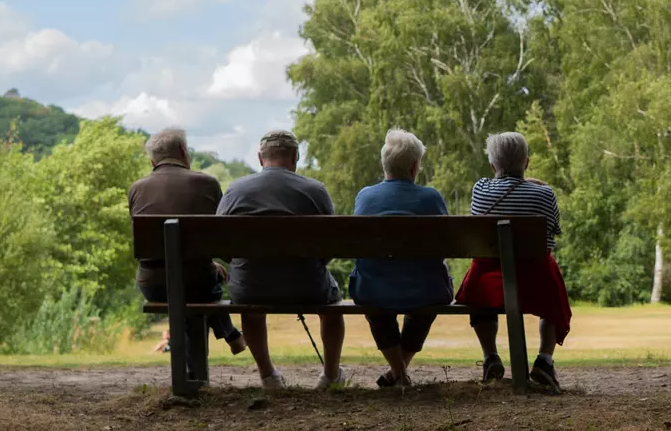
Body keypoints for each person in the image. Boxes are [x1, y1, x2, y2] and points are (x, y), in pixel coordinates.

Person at [216, 129, 347, 391]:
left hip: (251, 286)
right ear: (295, 156)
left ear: (260, 157)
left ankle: (269, 377)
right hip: (308, 286)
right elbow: (329, 246)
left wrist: (241, 266)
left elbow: (220, 243)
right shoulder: (315, 191)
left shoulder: (235, 190)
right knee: (332, 304)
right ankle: (331, 376)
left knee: (249, 305)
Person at [454, 132, 572, 394]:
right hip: (535, 280)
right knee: (552, 282)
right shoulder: (545, 194)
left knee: (478, 283)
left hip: (488, 282)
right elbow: (553, 231)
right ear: (527, 163)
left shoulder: (480, 189)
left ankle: (490, 357)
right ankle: (544, 360)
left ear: (493, 165)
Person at [129, 127, 246, 361]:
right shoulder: (208, 184)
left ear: (153, 161)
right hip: (197, 283)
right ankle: (227, 337)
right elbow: (220, 240)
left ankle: (195, 373)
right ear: (184, 151)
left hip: (153, 284)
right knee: (205, 283)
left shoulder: (136, 189)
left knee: (197, 280)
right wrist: (213, 263)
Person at [349, 129, 453, 388]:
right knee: (425, 304)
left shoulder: (365, 196)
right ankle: (401, 373)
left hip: (374, 289)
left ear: (385, 165)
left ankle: (398, 373)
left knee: (377, 305)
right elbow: (446, 244)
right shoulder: (432, 198)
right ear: (415, 166)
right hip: (426, 290)